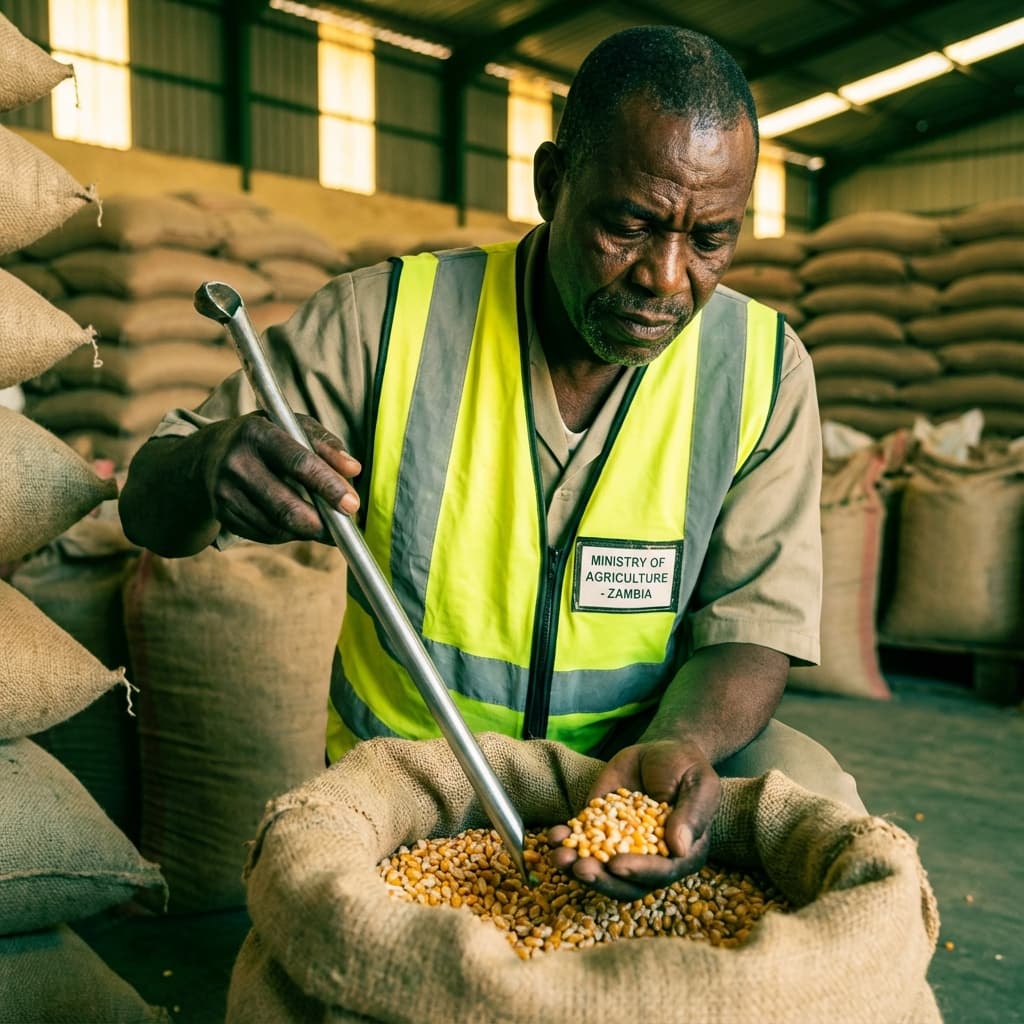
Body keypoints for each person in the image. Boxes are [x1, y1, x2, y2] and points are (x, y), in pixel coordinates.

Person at [120, 25, 864, 902]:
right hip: (419, 778)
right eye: (629, 225)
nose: (667, 277)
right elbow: (147, 506)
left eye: (710, 239)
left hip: (634, 766)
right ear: (551, 184)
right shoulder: (387, 322)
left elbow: (753, 629)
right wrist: (209, 465)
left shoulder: (762, 370)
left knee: (820, 803)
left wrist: (682, 748)